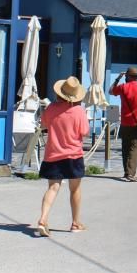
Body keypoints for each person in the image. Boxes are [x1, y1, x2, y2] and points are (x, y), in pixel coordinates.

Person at [35, 76, 90, 237]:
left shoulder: (51, 108)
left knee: (52, 188)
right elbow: (85, 132)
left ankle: (43, 219)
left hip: (53, 153)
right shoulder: (78, 111)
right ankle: (75, 222)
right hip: (73, 154)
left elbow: (44, 125)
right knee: (75, 190)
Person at [109, 66, 137, 182]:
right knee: (135, 147)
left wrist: (118, 78)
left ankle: (126, 172)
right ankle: (131, 174)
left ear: (127, 76)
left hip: (125, 123)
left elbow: (110, 91)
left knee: (125, 147)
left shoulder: (123, 87)